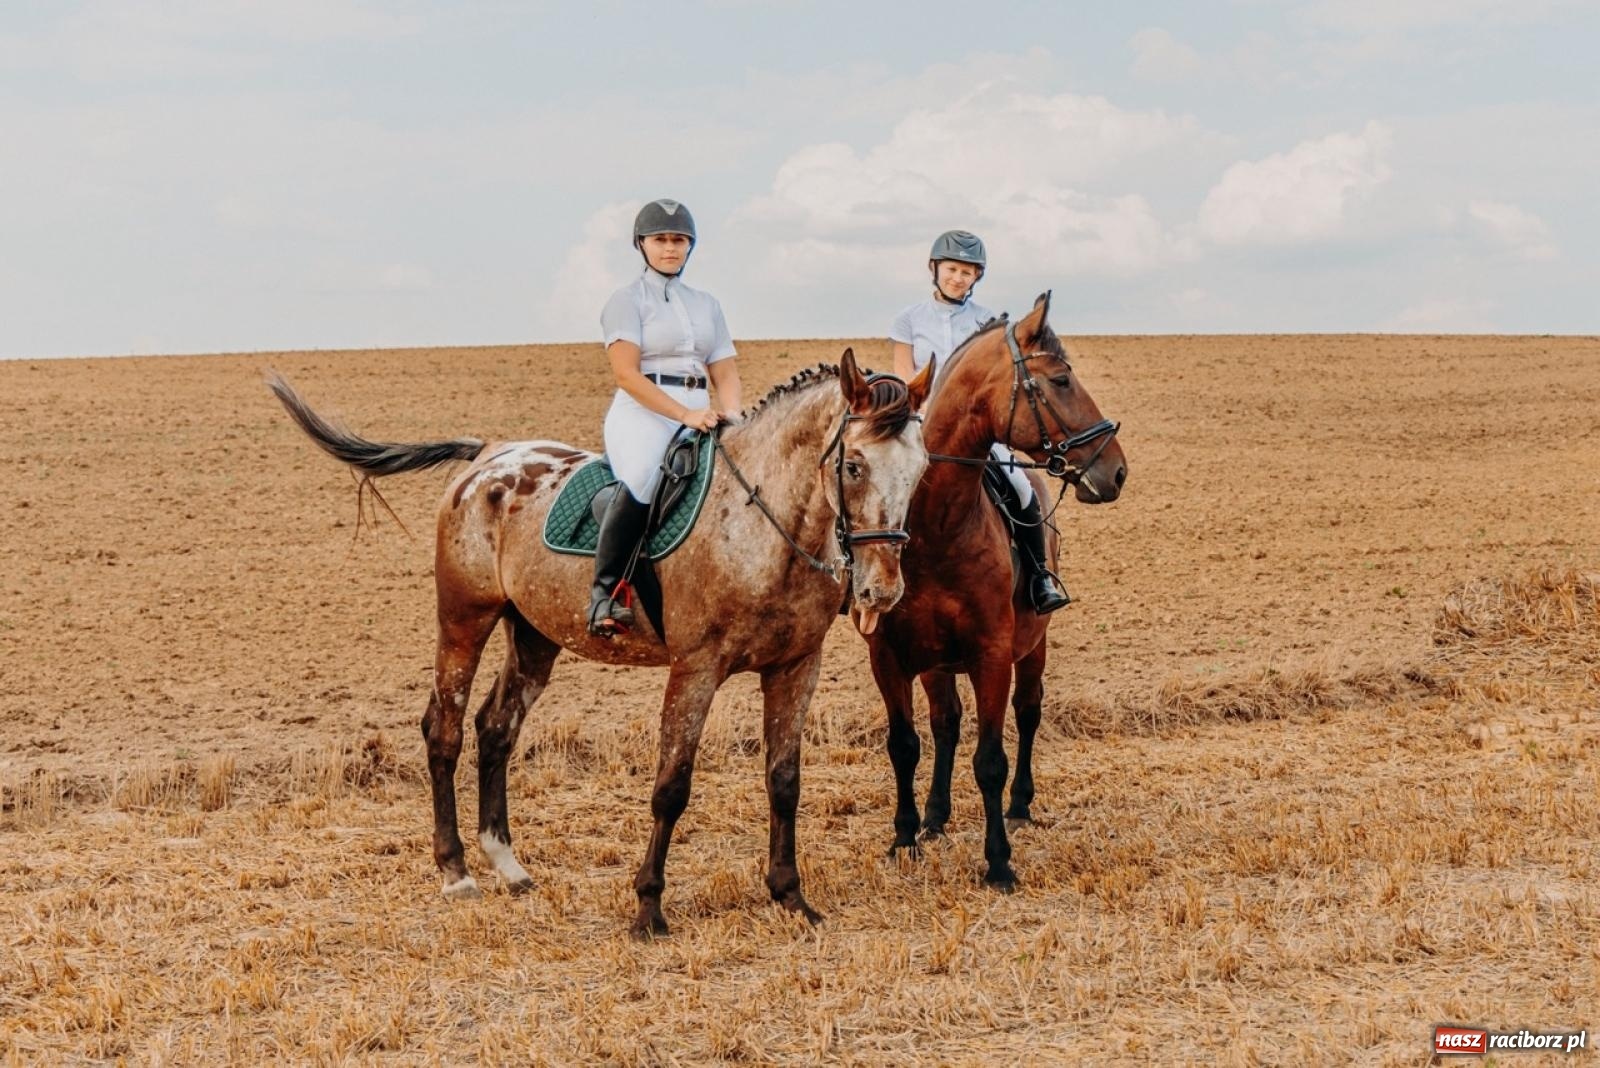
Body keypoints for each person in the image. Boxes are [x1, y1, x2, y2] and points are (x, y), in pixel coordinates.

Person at [889, 230, 1071, 614]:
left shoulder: (990, 322)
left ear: (977, 277)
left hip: (976, 431)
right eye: (952, 269)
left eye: (967, 272)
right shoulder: (907, 320)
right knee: (877, 491)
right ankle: (858, 581)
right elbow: (905, 374)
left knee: (1022, 489)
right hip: (921, 427)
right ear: (934, 269)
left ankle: (1039, 576)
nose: (958, 277)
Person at [589, 198, 742, 636]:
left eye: (679, 241)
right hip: (642, 411)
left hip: (701, 410)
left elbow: (725, 372)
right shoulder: (626, 301)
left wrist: (732, 415)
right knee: (643, 478)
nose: (670, 249)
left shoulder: (707, 304)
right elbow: (625, 374)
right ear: (641, 245)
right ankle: (604, 594)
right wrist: (683, 414)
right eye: (661, 240)